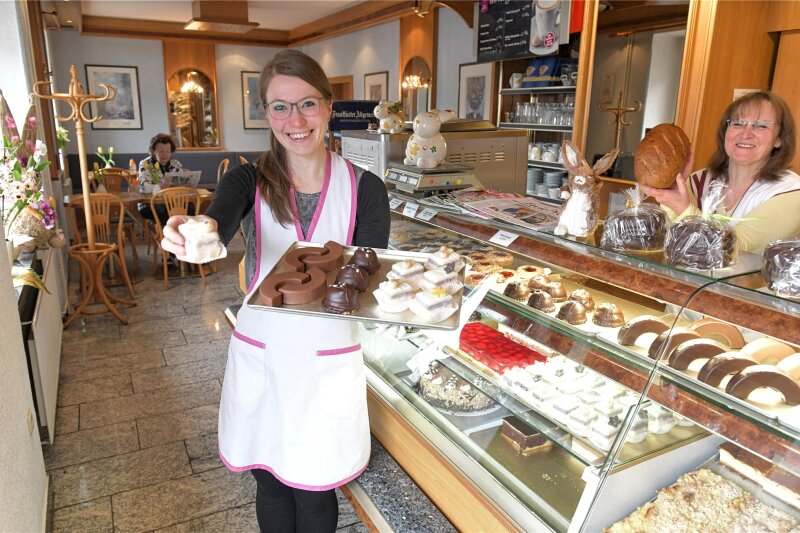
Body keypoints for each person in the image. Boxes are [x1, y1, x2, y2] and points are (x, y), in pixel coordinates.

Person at [160, 50, 390, 532]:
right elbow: (217, 222)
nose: (295, 120)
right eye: (280, 106)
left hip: (328, 355)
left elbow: (368, 275)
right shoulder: (248, 178)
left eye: (307, 103)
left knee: (315, 486)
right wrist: (195, 231)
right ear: (266, 114)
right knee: (270, 482)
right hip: (264, 354)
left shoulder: (366, 189)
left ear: (329, 107)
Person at [641, 91, 800, 252]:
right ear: (726, 131)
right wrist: (669, 194)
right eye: (738, 124)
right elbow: (671, 239)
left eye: (761, 126)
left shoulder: (791, 192)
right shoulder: (699, 181)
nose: (746, 134)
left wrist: (685, 209)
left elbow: (737, 250)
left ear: (779, 139)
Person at [137, 133, 184, 223]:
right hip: (149, 203)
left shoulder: (176, 164)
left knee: (190, 207)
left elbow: (181, 184)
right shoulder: (145, 164)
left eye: (168, 151)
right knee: (162, 209)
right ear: (154, 151)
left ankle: (183, 232)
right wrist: (159, 187)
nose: (165, 154)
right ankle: (166, 233)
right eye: (161, 151)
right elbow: (143, 187)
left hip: (172, 201)